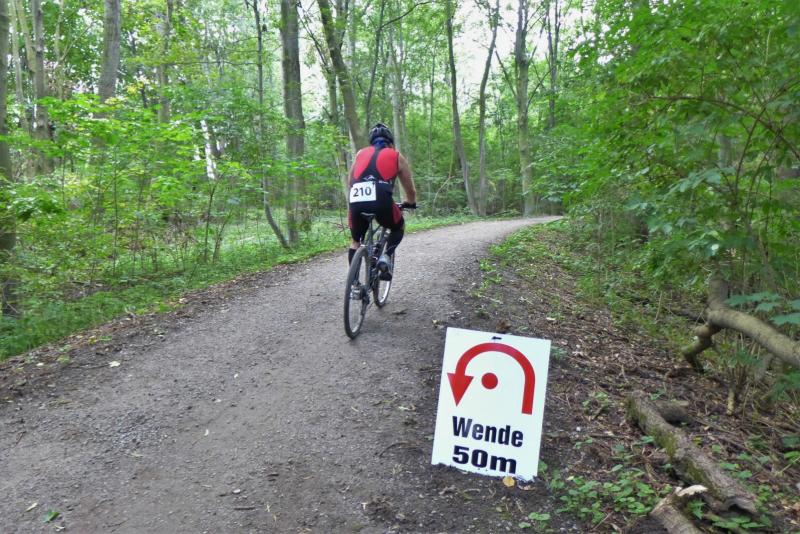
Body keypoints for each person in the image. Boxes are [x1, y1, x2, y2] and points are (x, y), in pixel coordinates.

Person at [347, 123, 417, 280]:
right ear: (390, 142)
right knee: (399, 227)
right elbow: (410, 190)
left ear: (371, 142)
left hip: (356, 197)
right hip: (381, 198)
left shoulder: (360, 153)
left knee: (355, 241)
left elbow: (350, 180)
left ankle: (354, 284)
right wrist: (410, 202)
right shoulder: (396, 156)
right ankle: (386, 256)